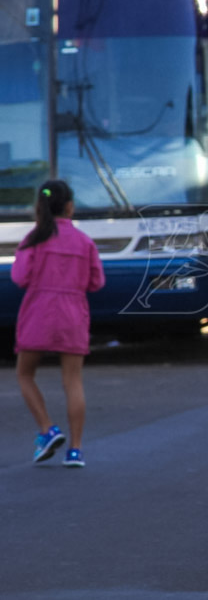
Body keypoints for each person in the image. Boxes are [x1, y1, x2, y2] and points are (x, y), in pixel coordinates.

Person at [12, 180, 105, 467]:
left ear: (40, 207)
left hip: (38, 313)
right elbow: (96, 282)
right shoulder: (84, 242)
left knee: (25, 374)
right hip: (73, 316)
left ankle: (47, 429)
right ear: (70, 207)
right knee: (72, 381)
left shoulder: (33, 240)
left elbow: (20, 277)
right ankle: (75, 450)